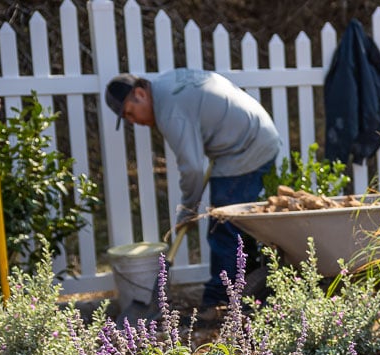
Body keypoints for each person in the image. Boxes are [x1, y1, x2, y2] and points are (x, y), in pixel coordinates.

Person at [104, 70, 281, 309]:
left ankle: (219, 301)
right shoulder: (166, 86)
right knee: (238, 228)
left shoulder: (170, 111)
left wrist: (188, 207)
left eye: (129, 113)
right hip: (253, 135)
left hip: (245, 147)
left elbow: (194, 169)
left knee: (223, 228)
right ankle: (248, 297)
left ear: (139, 93)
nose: (133, 122)